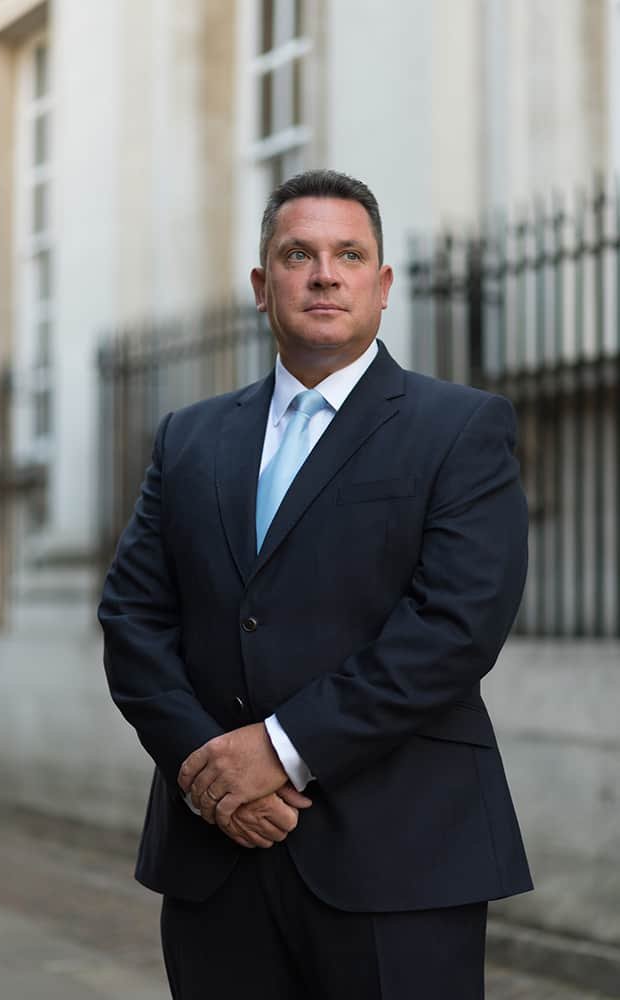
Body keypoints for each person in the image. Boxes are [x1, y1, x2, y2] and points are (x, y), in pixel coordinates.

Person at [98, 169, 532, 999]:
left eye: (349, 255)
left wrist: (278, 750)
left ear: (383, 285)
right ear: (262, 287)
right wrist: (207, 774)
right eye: (298, 255)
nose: (325, 275)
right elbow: (132, 618)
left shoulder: (461, 427)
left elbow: (454, 627)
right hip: (216, 856)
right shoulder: (189, 438)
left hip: (400, 856)